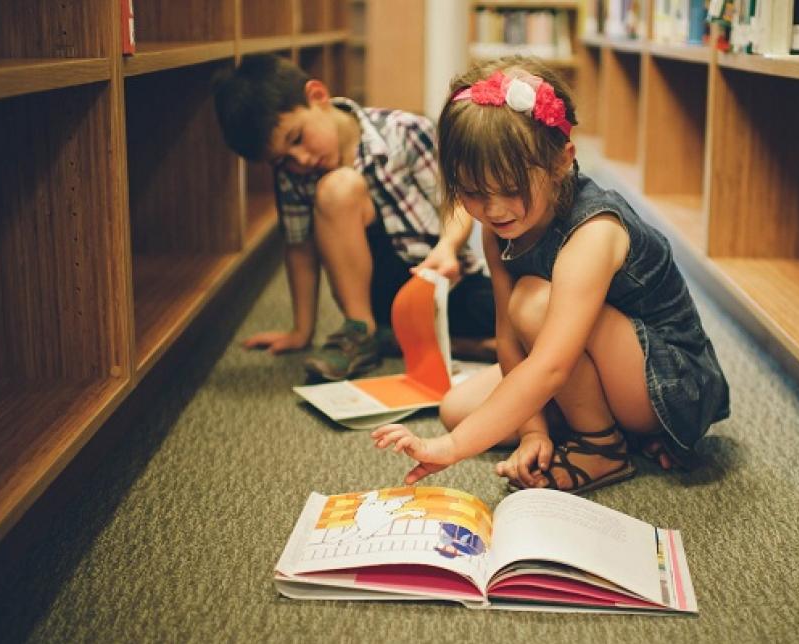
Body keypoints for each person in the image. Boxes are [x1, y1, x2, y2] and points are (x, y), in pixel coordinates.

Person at [372, 57, 730, 494]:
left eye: (510, 189)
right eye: (472, 192)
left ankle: (602, 447)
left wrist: (450, 449)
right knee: (457, 409)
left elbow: (550, 366)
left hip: (668, 382)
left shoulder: (594, 230)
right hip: (588, 359)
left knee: (531, 303)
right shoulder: (497, 226)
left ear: (562, 163)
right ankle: (603, 425)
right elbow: (508, 339)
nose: (494, 209)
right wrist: (532, 432)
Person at [213, 54, 496, 380]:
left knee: (525, 327)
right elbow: (299, 249)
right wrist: (300, 331)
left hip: (443, 279)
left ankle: (414, 340)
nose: (301, 160)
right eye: (283, 160)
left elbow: (454, 203)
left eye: (297, 138)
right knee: (338, 188)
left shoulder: (405, 130)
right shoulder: (293, 176)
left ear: (317, 96)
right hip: (376, 297)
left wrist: (447, 247)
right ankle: (362, 332)